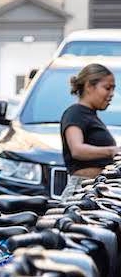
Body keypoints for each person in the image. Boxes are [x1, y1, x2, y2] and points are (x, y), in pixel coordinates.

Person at [59, 62, 117, 200]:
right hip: (81, 190)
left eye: (113, 89)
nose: (111, 94)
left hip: (96, 189)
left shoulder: (92, 116)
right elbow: (77, 150)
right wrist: (112, 150)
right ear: (89, 86)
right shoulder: (75, 113)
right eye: (107, 88)